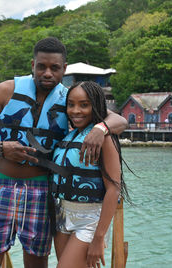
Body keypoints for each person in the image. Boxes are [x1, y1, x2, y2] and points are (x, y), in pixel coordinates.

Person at [0, 37, 128, 268]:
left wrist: (100, 128)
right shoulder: (6, 90)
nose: (47, 73)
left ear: (64, 69)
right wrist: (1, 147)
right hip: (1, 187)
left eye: (54, 68)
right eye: (41, 66)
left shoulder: (70, 100)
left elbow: (119, 120)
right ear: (32, 65)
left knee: (36, 262)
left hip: (43, 192)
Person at [32, 81, 129, 268]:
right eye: (71, 104)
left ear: (96, 106)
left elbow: (113, 189)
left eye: (84, 105)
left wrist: (99, 237)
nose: (76, 111)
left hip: (90, 219)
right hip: (62, 215)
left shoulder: (104, 138)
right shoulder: (69, 135)